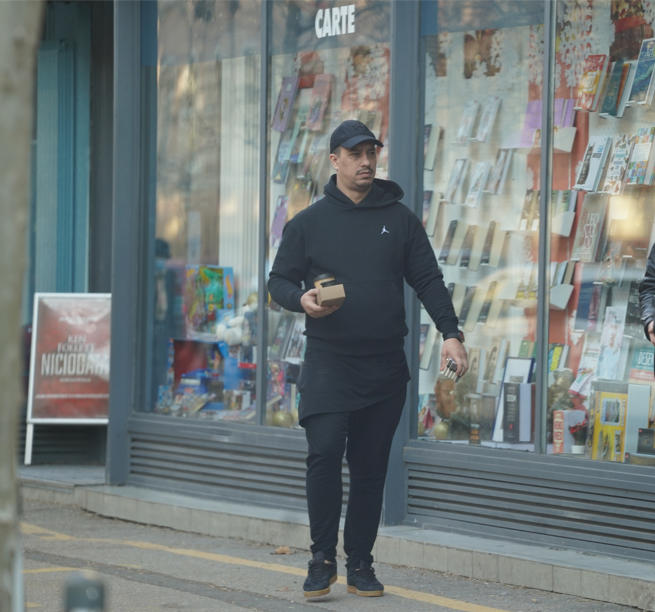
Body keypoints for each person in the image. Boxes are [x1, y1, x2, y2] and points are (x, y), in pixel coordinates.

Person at [268, 120, 467, 599]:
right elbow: (279, 282)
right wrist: (301, 300)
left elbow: (428, 279)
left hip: (384, 365)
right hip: (329, 361)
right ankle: (321, 558)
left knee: (370, 467)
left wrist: (451, 333)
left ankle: (360, 562)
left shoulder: (400, 219)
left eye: (371, 153)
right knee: (323, 454)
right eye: (355, 154)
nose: (365, 162)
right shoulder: (308, 223)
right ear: (334, 160)